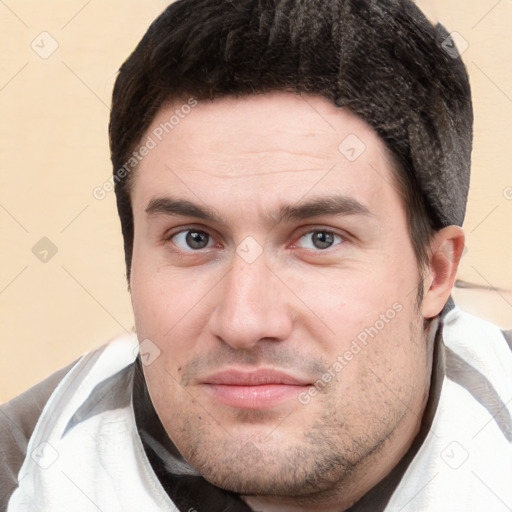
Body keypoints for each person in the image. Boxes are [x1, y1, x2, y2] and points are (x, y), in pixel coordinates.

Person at [2, 0, 511, 510]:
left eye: (320, 239)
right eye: (193, 239)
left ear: (437, 272)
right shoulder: (22, 475)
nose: (243, 321)